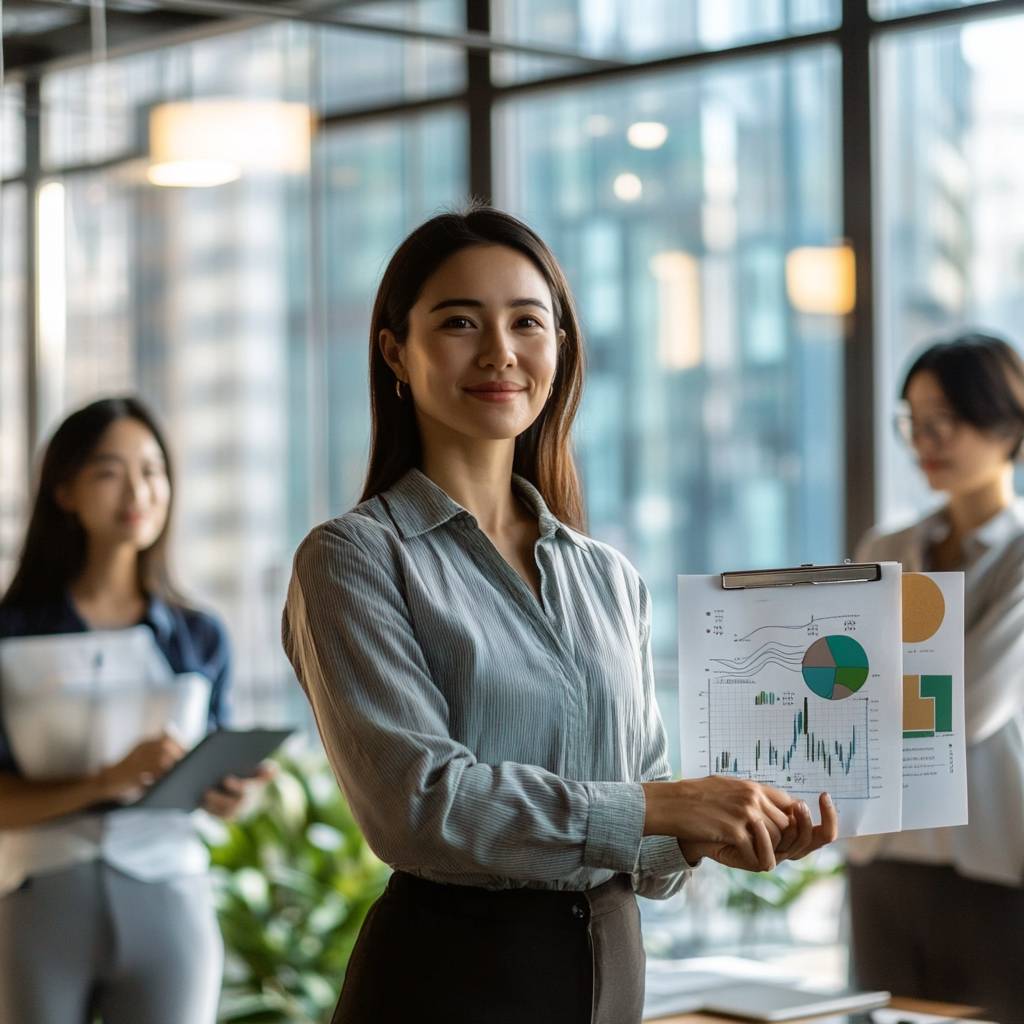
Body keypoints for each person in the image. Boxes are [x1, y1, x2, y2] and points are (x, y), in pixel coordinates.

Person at [282, 205, 839, 1024]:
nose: (500, 352)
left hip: (610, 975)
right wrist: (661, 808)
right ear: (396, 351)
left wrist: (710, 831)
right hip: (449, 983)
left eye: (527, 322)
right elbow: (420, 807)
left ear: (562, 348)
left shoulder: (608, 576)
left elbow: (644, 829)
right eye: (460, 322)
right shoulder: (355, 558)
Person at [0, 396, 266, 1024]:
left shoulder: (198, 635)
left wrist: (236, 795)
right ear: (64, 491)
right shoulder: (10, 633)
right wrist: (104, 782)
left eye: (152, 470)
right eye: (108, 471)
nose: (137, 490)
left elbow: (218, 775)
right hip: (40, 897)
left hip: (169, 894)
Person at [849, 332, 1024, 1022]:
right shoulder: (887, 548)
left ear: (1007, 421)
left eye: (947, 417)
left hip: (991, 855)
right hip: (883, 848)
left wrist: (882, 686)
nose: (927, 437)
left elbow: (975, 704)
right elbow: (843, 692)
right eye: (914, 420)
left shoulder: (1018, 554)